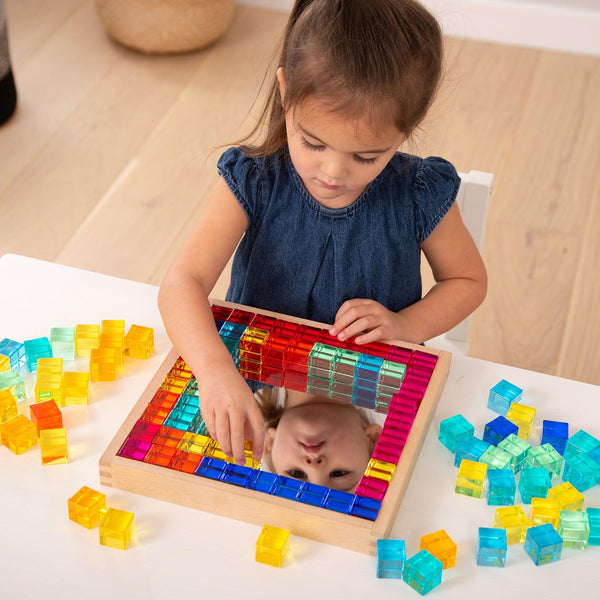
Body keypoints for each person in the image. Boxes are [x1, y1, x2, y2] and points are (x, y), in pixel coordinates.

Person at [158, 0, 487, 466]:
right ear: (285, 91)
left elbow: (468, 281)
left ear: (407, 130)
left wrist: (407, 325)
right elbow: (180, 284)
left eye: (367, 156)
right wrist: (213, 371)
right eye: (312, 142)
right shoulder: (256, 178)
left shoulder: (417, 192)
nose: (333, 172)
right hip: (255, 371)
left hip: (370, 380)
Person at [257, 386, 382, 493]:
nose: (314, 467)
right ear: (372, 439)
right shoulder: (390, 370)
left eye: (297, 473)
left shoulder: (241, 378)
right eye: (338, 473)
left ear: (271, 443)